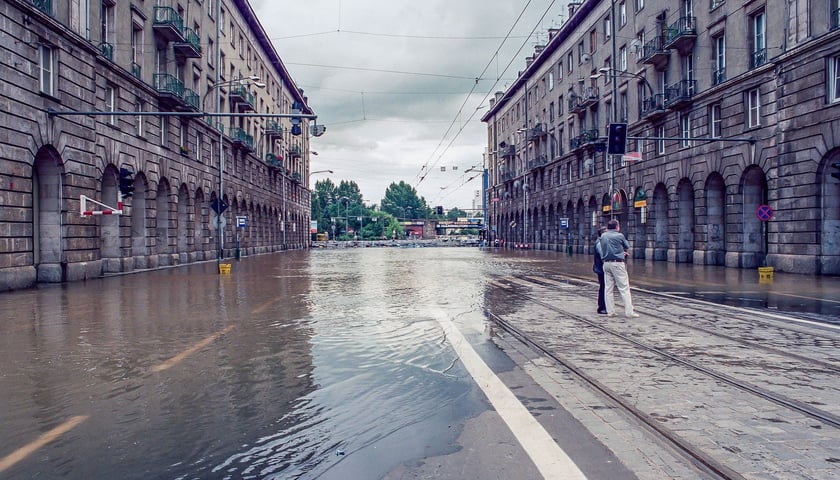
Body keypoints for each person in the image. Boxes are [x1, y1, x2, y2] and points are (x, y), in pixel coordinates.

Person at [599, 219, 639, 318]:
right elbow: (627, 245)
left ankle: (610, 311)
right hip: (617, 264)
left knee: (608, 289)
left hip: (606, 264)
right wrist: (621, 252)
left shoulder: (603, 236)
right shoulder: (619, 235)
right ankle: (629, 312)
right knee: (624, 288)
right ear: (617, 227)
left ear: (608, 227)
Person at [593, 226, 608, 314]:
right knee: (604, 288)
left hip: (600, 268)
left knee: (605, 287)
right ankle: (602, 307)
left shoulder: (601, 242)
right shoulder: (600, 243)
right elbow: (603, 256)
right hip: (601, 269)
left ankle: (604, 306)